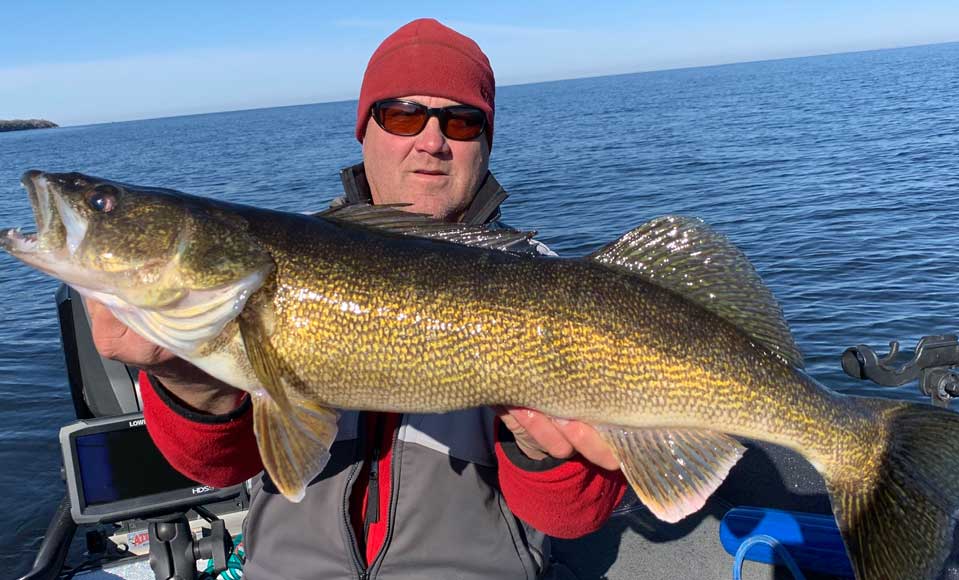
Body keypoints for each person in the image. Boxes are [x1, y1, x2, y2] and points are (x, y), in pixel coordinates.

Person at [86, 18, 627, 579]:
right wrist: (188, 377)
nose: (432, 141)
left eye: (462, 123)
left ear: (485, 144)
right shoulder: (285, 258)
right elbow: (218, 468)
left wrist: (540, 449)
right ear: (364, 131)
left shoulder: (548, 285)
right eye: (403, 115)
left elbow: (572, 518)